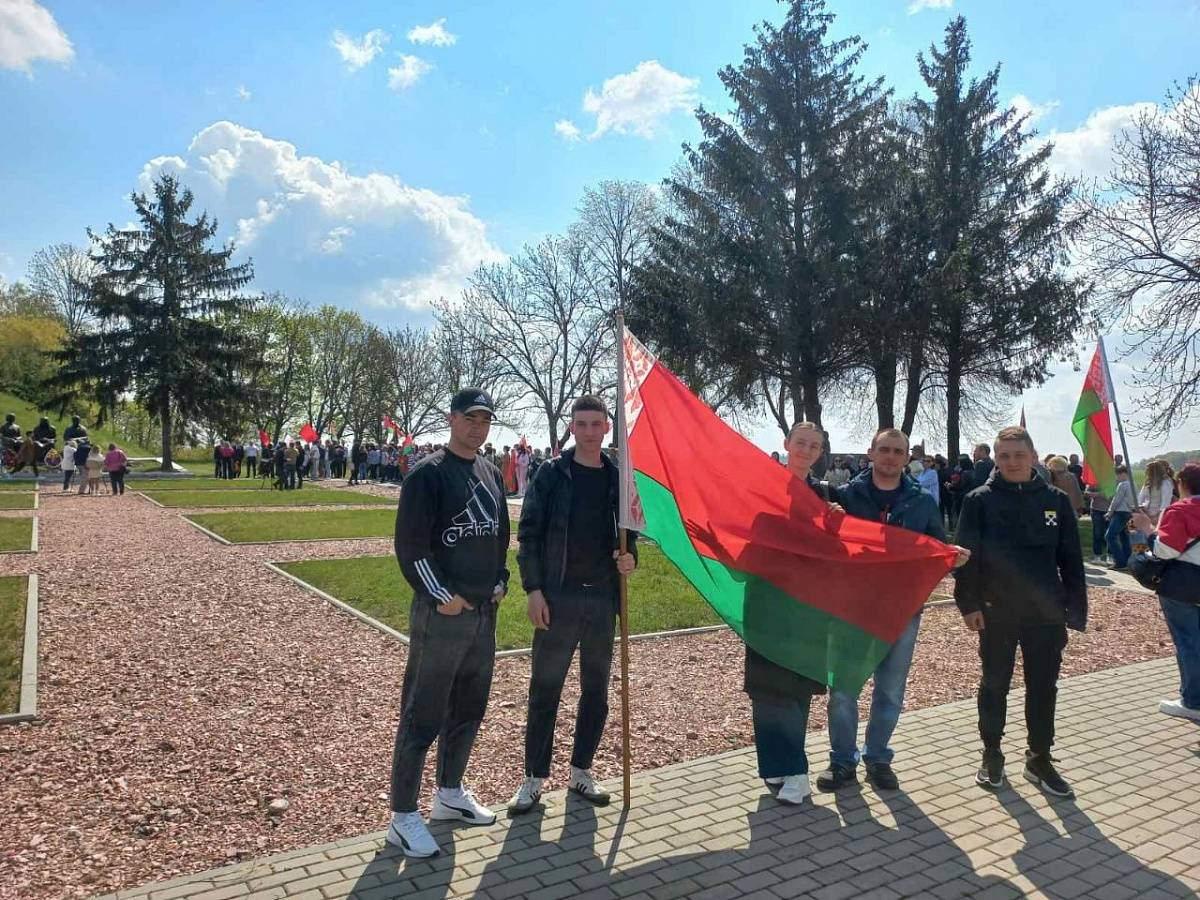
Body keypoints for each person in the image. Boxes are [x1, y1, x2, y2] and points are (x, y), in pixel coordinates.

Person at [387, 388, 509, 859]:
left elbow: (500, 536)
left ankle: (449, 794)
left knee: (469, 710)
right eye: (470, 418)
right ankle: (402, 817)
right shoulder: (428, 475)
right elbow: (411, 548)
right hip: (442, 616)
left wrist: (500, 579)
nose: (478, 427)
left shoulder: (490, 471)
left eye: (485, 419)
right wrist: (445, 598)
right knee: (423, 715)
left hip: (483, 615)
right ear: (452, 419)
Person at [819, 428, 968, 792]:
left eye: (897, 451)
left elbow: (934, 547)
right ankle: (842, 761)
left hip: (902, 609)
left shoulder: (922, 502)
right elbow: (826, 546)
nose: (890, 456)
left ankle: (878, 758)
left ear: (907, 458)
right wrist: (830, 521)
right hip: (852, 607)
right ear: (870, 453)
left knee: (890, 691)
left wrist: (951, 557)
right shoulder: (846, 496)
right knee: (842, 690)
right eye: (883, 449)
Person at [509, 397, 638, 814]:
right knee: (545, 688)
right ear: (571, 427)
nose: (589, 431)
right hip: (558, 596)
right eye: (581, 424)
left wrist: (629, 558)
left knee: (596, 691)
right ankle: (533, 777)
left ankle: (581, 770)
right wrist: (533, 590)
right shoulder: (552, 473)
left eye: (596, 424)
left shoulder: (618, 478)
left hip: (601, 599)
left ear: (607, 428)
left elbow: (629, 536)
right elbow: (529, 534)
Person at [954, 426, 1087, 798]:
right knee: (994, 684)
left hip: (1045, 612)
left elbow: (1071, 559)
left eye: (1018, 455)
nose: (1011, 462)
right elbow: (965, 559)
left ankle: (1039, 757)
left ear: (1033, 456)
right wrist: (968, 604)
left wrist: (1074, 610)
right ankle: (992, 752)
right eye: (1004, 456)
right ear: (995, 459)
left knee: (1043, 686)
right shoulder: (978, 501)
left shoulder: (1055, 500)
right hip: (995, 611)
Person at [742, 422, 835, 805]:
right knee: (766, 688)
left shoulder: (826, 495)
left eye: (814, 446)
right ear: (786, 444)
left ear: (820, 452)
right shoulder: (761, 489)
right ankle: (777, 765)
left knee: (797, 689)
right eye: (801, 443)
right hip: (766, 602)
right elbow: (745, 538)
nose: (806, 450)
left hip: (807, 606)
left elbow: (837, 551)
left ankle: (798, 771)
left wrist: (835, 524)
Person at [1133, 462, 1200, 722]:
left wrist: (1148, 530)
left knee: (1188, 642)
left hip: (1182, 585)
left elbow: (1166, 550)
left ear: (1181, 484)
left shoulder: (1179, 510)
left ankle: (1193, 701)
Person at [1106, 465, 1138, 570]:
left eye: (1117, 475)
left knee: (1109, 536)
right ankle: (1128, 562)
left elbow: (1117, 499)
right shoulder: (1133, 484)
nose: (1117, 478)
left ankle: (1120, 561)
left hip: (1121, 512)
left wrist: (1110, 512)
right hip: (1130, 512)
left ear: (1123, 474)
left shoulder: (1122, 484)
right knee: (1125, 538)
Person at [1139, 459, 1176, 525]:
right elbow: (1141, 497)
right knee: (1131, 525)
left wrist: (1158, 516)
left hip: (1158, 516)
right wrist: (1139, 509)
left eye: (1148, 470)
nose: (1146, 472)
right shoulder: (1147, 483)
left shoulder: (1166, 483)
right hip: (1146, 514)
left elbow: (1165, 502)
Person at [1083, 481, 1111, 563]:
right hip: (1096, 510)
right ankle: (1097, 555)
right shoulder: (1093, 480)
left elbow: (1112, 495)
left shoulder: (1112, 480)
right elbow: (1086, 493)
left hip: (1110, 510)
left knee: (1109, 534)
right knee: (1097, 533)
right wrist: (1099, 494)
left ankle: (1110, 556)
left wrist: (1097, 494)